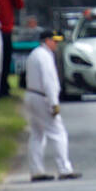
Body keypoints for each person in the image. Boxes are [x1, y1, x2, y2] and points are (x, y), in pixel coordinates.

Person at [25, 31, 81, 181]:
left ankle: (36, 170)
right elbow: (49, 81)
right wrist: (54, 103)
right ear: (46, 40)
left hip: (32, 94)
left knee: (37, 134)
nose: (56, 44)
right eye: (54, 41)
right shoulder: (44, 56)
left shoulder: (35, 54)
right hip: (43, 97)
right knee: (58, 133)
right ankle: (64, 168)